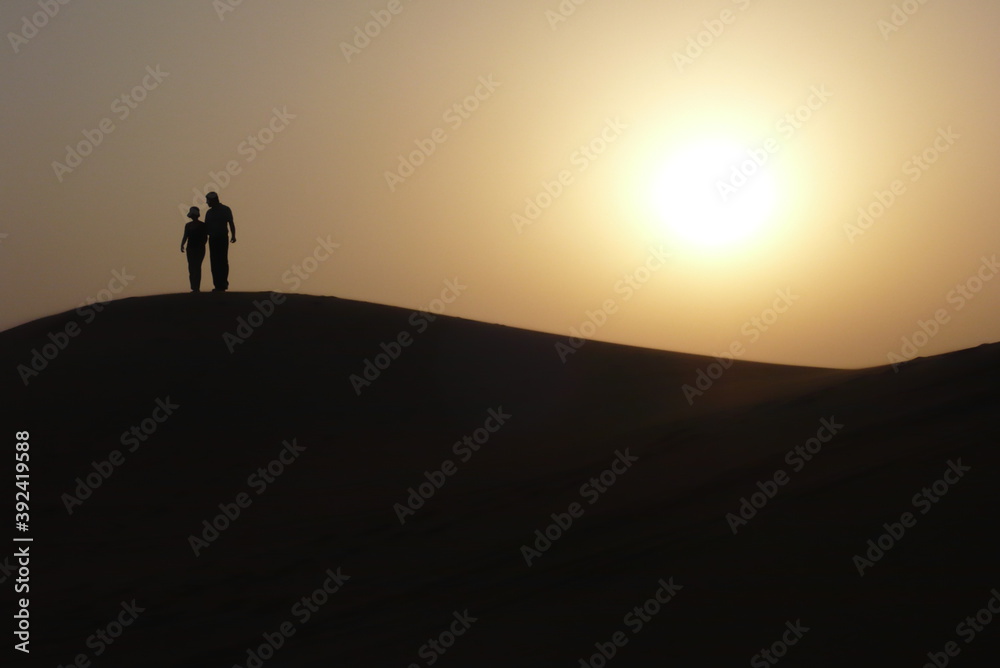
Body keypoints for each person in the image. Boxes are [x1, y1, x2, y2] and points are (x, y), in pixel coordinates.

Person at [204, 191, 236, 291]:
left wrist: (233, 235)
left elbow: (231, 223)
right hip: (213, 239)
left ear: (213, 201)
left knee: (222, 260)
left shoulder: (225, 209)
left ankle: (223, 283)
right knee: (214, 261)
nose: (207, 203)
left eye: (208, 201)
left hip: (222, 238)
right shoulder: (209, 212)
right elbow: (206, 227)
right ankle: (217, 284)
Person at [180, 206, 208, 292]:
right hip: (191, 249)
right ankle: (194, 287)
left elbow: (205, 238)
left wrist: (201, 245)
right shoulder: (188, 225)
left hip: (199, 249)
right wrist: (182, 244)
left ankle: (196, 287)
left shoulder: (202, 225)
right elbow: (185, 236)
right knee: (192, 267)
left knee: (197, 267)